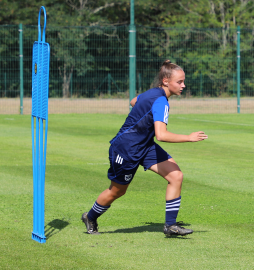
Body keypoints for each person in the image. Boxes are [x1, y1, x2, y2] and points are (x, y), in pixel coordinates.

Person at [81, 60, 208, 236]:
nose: (183, 85)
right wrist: (189, 137)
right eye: (180, 82)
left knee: (176, 176)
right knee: (117, 191)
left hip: (145, 146)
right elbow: (161, 135)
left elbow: (135, 101)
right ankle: (90, 216)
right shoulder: (161, 101)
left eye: (183, 81)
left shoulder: (153, 93)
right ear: (165, 81)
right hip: (126, 149)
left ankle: (170, 226)